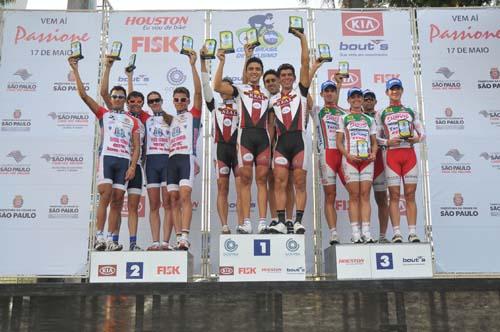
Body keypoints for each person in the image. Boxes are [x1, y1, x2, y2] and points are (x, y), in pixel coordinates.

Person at [68, 56, 140, 251]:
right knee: (105, 196)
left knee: (117, 200)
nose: (117, 99)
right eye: (114, 96)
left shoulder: (132, 120)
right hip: (107, 158)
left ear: (125, 101)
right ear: (111, 99)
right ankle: (98, 237)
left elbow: (137, 146)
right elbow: (84, 95)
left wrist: (133, 166)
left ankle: (110, 239)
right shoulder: (103, 113)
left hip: (124, 161)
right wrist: (76, 70)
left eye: (120, 97)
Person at [214, 49, 272, 234]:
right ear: (246, 72)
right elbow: (216, 86)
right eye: (251, 69)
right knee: (245, 181)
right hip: (245, 137)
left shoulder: (268, 92)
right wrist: (221, 61)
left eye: (257, 69)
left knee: (262, 181)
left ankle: (262, 222)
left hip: (263, 138)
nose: (254, 71)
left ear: (261, 72)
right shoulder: (240, 90)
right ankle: (246, 222)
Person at [100, 55, 149, 251]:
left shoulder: (145, 117)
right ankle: (113, 240)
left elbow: (134, 97)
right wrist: (129, 76)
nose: (135, 104)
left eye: (139, 102)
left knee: (133, 206)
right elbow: (119, 96)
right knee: (116, 203)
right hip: (120, 162)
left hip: (135, 167)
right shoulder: (120, 114)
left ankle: (133, 243)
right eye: (131, 102)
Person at [267, 28, 310, 234]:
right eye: (282, 75)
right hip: (281, 144)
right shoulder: (272, 98)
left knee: (300, 182)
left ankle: (298, 221)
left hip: (299, 142)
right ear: (278, 78)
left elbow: (305, 63)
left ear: (293, 78)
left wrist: (302, 39)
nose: (285, 78)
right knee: (279, 182)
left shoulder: (300, 92)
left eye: (288, 75)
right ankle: (283, 222)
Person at [376, 78, 425, 243]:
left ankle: (412, 232)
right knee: (394, 195)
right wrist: (387, 142)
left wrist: (416, 139)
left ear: (402, 91)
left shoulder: (411, 110)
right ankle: (397, 232)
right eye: (392, 89)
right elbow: (376, 138)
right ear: (387, 92)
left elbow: (423, 133)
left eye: (397, 89)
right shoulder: (381, 112)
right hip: (392, 156)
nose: (395, 92)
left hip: (409, 155)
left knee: (410, 194)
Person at [200, 46, 242, 234]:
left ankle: (243, 224)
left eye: (228, 87)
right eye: (222, 87)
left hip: (239, 149)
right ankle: (224, 225)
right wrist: (203, 61)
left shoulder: (241, 103)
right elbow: (205, 86)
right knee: (222, 186)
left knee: (242, 186)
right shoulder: (214, 105)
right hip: (221, 150)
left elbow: (247, 85)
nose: (224, 90)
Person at [167, 50, 202, 250]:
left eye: (183, 99)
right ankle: (178, 237)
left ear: (188, 101)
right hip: (171, 160)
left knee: (185, 195)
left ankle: (185, 237)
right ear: (173, 101)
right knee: (172, 199)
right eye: (177, 99)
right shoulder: (170, 119)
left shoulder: (194, 115)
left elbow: (198, 92)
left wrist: (192, 65)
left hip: (186, 157)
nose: (180, 102)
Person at [309, 61, 346, 244]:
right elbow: (303, 91)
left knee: (355, 193)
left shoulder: (344, 113)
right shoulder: (317, 110)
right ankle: (333, 233)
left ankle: (361, 232)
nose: (330, 93)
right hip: (326, 156)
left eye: (333, 90)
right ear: (322, 94)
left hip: (344, 155)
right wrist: (312, 69)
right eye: (327, 91)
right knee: (330, 195)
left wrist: (339, 83)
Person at [336, 87, 378, 243]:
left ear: (361, 99)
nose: (356, 99)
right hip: (350, 160)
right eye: (352, 97)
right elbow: (339, 142)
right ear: (348, 100)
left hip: (367, 160)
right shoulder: (344, 118)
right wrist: (347, 155)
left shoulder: (369, 120)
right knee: (353, 196)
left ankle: (366, 232)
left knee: (365, 195)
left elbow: (374, 143)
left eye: (358, 97)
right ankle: (355, 233)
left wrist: (373, 153)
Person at [263, 69, 295, 233]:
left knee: (288, 182)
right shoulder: (263, 99)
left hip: (287, 144)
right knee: (271, 183)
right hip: (268, 146)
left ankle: (289, 220)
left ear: (279, 81)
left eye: (273, 80)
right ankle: (275, 219)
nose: (271, 83)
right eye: (267, 81)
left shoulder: (289, 97)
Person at [143, 90, 176, 250]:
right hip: (151, 163)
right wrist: (129, 77)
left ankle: (166, 242)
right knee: (154, 204)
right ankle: (155, 242)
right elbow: (131, 101)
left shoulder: (171, 119)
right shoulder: (146, 119)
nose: (154, 103)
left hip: (167, 161)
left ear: (162, 101)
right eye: (151, 101)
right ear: (148, 104)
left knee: (168, 204)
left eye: (157, 100)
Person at [362, 89, 390, 244]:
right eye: (365, 99)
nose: (368, 101)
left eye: (371, 98)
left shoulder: (381, 116)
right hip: (362, 161)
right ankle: (362, 234)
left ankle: (382, 235)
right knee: (362, 197)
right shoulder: (356, 116)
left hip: (379, 161)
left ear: (375, 101)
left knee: (381, 199)